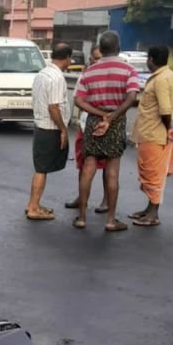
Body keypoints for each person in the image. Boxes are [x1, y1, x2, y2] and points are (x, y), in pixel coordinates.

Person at [72, 30, 141, 232]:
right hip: (116, 121)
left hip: (94, 121)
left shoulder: (89, 71)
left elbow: (78, 99)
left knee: (88, 167)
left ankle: (82, 217)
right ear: (118, 47)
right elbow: (131, 97)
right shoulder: (129, 70)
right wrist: (112, 116)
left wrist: (99, 113)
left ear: (100, 49)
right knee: (112, 171)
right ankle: (111, 220)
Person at [129, 45, 173, 226]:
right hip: (150, 132)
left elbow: (165, 109)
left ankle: (153, 214)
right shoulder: (167, 76)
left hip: (153, 133)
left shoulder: (161, 79)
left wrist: (169, 128)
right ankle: (149, 209)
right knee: (149, 172)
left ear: (150, 59)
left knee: (153, 174)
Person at [26, 43, 73, 220]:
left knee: (41, 167)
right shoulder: (56, 78)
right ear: (67, 57)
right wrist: (63, 129)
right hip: (49, 128)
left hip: (40, 124)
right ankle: (34, 208)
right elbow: (54, 107)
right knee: (42, 168)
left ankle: (33, 203)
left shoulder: (42, 74)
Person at [65, 45, 109, 215]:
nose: (96, 61)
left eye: (99, 58)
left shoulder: (110, 75)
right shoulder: (86, 75)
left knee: (108, 166)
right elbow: (78, 99)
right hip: (86, 124)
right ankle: (81, 198)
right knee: (83, 164)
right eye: (94, 58)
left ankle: (106, 200)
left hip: (108, 124)